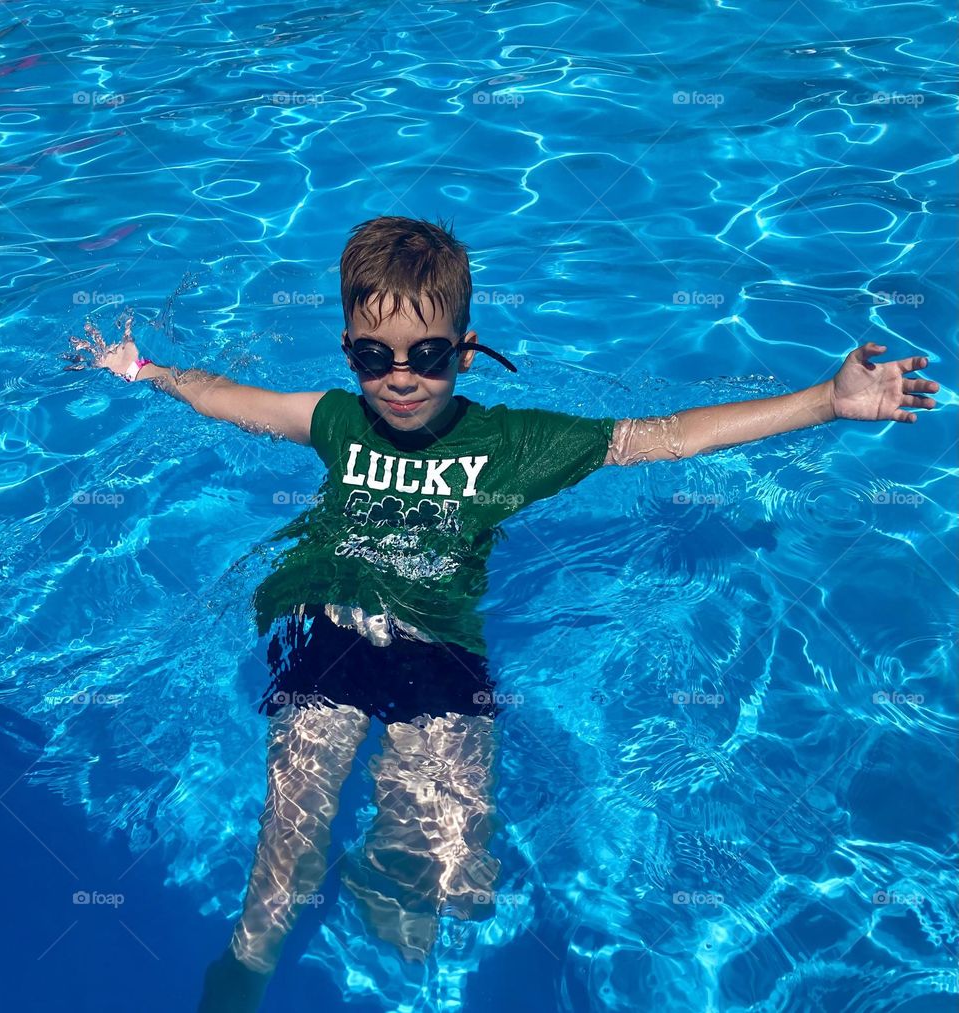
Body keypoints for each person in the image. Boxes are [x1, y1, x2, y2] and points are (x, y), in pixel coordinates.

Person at [68, 215, 939, 1011]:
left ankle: (379, 902)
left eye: (427, 355)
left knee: (448, 884)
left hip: (441, 659)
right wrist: (143, 371)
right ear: (348, 352)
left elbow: (665, 434)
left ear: (467, 351)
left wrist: (826, 400)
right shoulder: (334, 420)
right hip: (327, 640)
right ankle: (243, 977)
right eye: (375, 356)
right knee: (280, 867)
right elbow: (229, 398)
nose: (400, 378)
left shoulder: (511, 446)